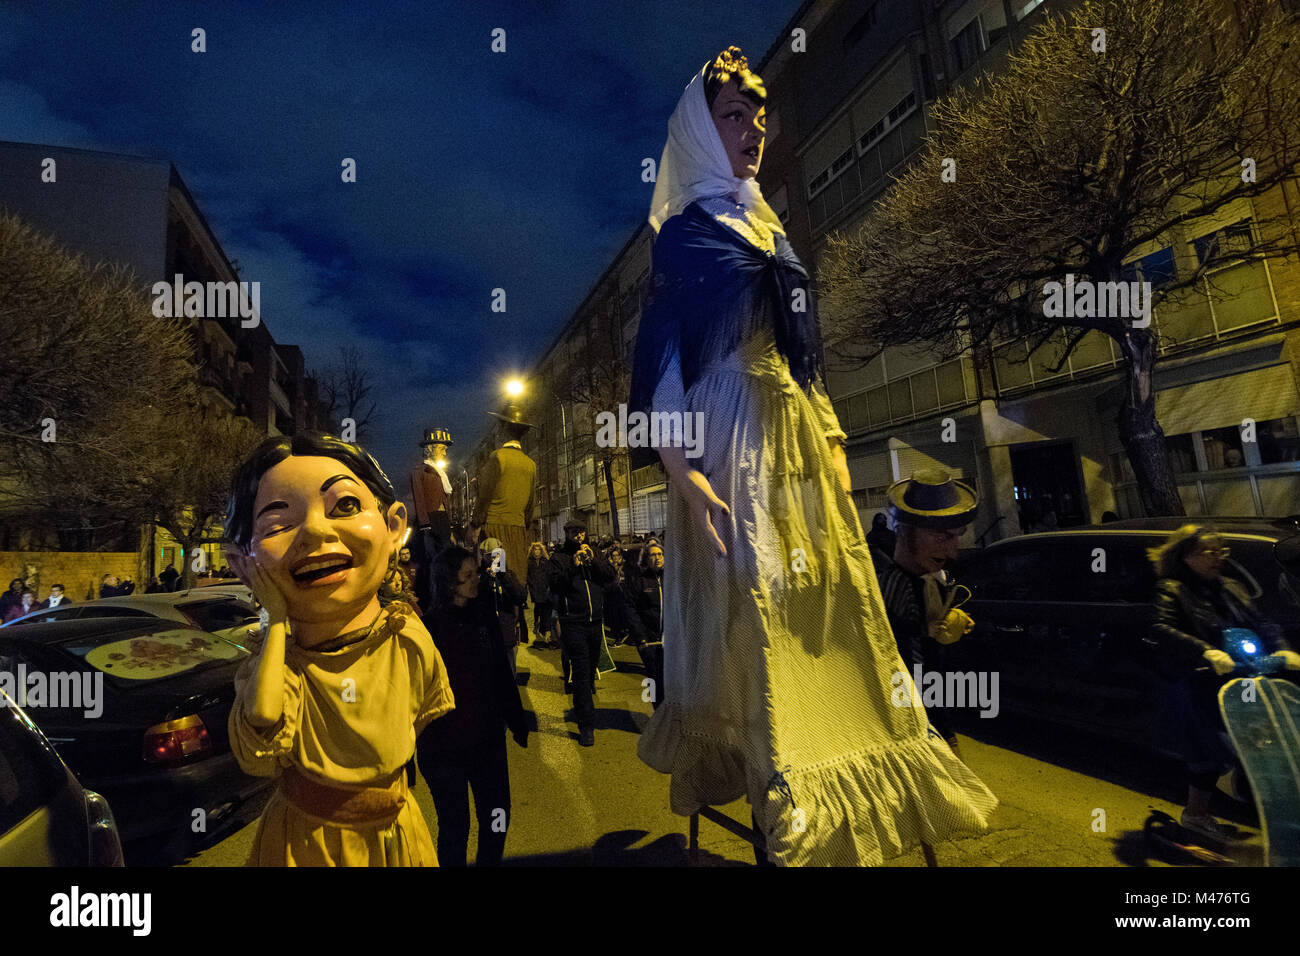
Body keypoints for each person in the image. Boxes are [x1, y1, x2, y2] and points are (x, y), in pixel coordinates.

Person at [625, 47, 996, 866]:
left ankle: (833, 776)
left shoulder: (769, 224)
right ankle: (779, 784)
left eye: (759, 115)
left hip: (790, 427)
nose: (753, 129)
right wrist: (684, 474)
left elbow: (804, 355)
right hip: (727, 432)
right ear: (698, 127)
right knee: (757, 605)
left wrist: (831, 444)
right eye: (733, 115)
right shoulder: (683, 235)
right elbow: (661, 358)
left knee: (827, 601)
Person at [222, 430, 455, 866]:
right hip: (308, 846)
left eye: (345, 506)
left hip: (397, 836)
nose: (314, 529)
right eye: (277, 523)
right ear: (242, 562)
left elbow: (419, 712)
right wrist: (274, 621)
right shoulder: (279, 664)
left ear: (393, 528)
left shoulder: (405, 636)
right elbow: (263, 717)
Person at [1148, 525, 1300, 841]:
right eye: (1209, 551)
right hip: (1204, 684)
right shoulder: (1172, 590)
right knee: (1208, 752)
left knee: (1271, 741)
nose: (1218, 557)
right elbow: (1162, 628)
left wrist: (1284, 650)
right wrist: (1206, 652)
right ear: (1187, 555)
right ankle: (1196, 815)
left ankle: (1277, 812)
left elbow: (1262, 622)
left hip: (1248, 677)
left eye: (1222, 550)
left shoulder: (1230, 586)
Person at [417, 547, 528, 866]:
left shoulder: (484, 617)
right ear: (448, 581)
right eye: (466, 576)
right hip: (444, 749)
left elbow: (499, 673)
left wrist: (515, 719)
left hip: (487, 742)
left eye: (474, 573)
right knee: (455, 826)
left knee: (497, 816)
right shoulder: (429, 629)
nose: (475, 580)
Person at [870, 471, 977, 760]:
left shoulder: (935, 579)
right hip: (909, 722)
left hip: (934, 712)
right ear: (905, 532)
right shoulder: (893, 585)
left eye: (956, 537)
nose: (952, 550)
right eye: (941, 538)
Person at [548, 519, 615, 747]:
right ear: (567, 534)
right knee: (581, 673)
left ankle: (582, 703)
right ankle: (586, 725)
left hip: (595, 621)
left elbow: (609, 576)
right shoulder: (559, 557)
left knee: (590, 668)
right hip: (573, 622)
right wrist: (573, 566)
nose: (579, 536)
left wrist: (594, 559)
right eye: (574, 532)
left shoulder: (594, 552)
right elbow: (555, 585)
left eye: (582, 532)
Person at [410, 428, 456, 611]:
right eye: (442, 448)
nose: (445, 452)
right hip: (429, 521)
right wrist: (425, 525)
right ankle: (430, 602)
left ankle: (445, 598)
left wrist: (450, 527)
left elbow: (446, 500)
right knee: (430, 562)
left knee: (445, 562)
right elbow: (419, 498)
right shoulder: (419, 471)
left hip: (443, 520)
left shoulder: (440, 472)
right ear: (431, 448)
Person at [627, 539, 666, 710]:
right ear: (646, 559)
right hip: (650, 641)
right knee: (653, 678)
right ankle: (657, 712)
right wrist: (641, 638)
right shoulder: (640, 580)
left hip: (670, 641)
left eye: (660, 554)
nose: (657, 558)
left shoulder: (671, 579)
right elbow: (631, 609)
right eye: (653, 555)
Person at [479, 536, 527, 676]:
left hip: (506, 635)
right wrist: (487, 579)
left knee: (509, 676)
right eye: (491, 556)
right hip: (486, 636)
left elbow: (520, 597)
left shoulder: (508, 575)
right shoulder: (479, 575)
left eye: (498, 555)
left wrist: (504, 575)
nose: (495, 559)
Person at [527, 542, 557, 649]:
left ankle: (546, 634)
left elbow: (550, 575)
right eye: (535, 549)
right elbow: (529, 577)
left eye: (539, 550)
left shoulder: (546, 561)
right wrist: (531, 587)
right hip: (536, 590)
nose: (537, 551)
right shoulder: (529, 562)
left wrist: (549, 587)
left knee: (546, 612)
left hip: (546, 590)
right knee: (538, 609)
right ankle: (540, 629)